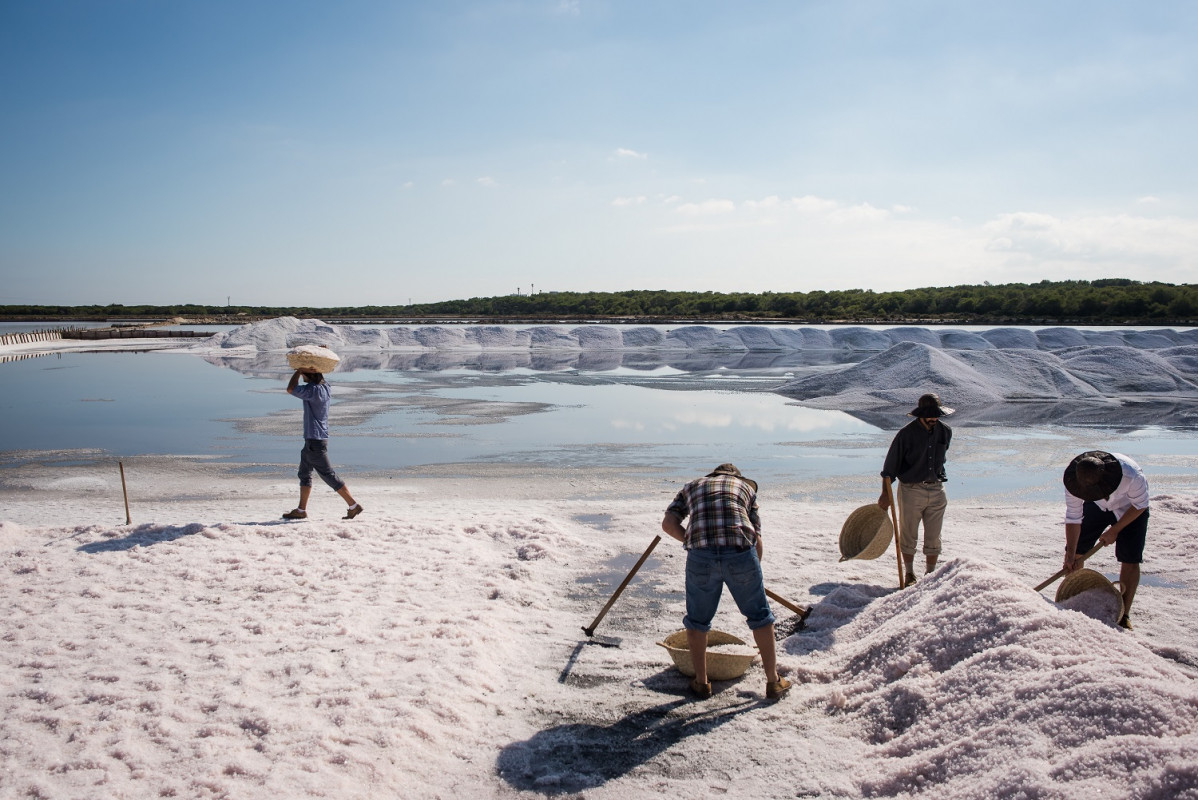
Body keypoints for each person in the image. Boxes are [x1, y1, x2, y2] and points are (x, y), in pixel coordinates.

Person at [661, 463, 791, 701]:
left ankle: (701, 683)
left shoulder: (691, 487)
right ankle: (773, 681)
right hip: (740, 552)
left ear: (712, 476)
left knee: (697, 621)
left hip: (701, 556)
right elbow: (756, 539)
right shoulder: (745, 489)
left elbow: (668, 525)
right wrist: (752, 573)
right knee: (760, 616)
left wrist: (693, 543)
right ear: (737, 478)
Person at [1062, 450, 1149, 630]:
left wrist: (1115, 530)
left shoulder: (1132, 476)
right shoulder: (1075, 480)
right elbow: (1073, 517)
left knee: (1130, 559)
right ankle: (1071, 602)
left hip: (1130, 509)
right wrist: (1070, 553)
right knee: (1076, 553)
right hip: (1096, 506)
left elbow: (1140, 505)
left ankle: (1123, 615)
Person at [878, 393, 953, 587]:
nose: (934, 419)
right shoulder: (906, 434)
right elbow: (889, 467)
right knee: (909, 532)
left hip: (937, 489)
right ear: (920, 415)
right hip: (911, 490)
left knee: (934, 535)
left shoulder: (945, 431)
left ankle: (930, 574)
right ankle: (910, 574)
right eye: (930, 415)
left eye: (936, 415)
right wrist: (885, 494)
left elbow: (941, 459)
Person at [282, 369, 363, 520]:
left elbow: (290, 388)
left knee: (328, 475)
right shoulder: (326, 387)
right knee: (304, 474)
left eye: (305, 374)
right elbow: (321, 378)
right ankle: (301, 510)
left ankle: (353, 505)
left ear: (309, 375)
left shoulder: (311, 390)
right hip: (314, 440)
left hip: (315, 441)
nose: (303, 376)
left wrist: (298, 371)